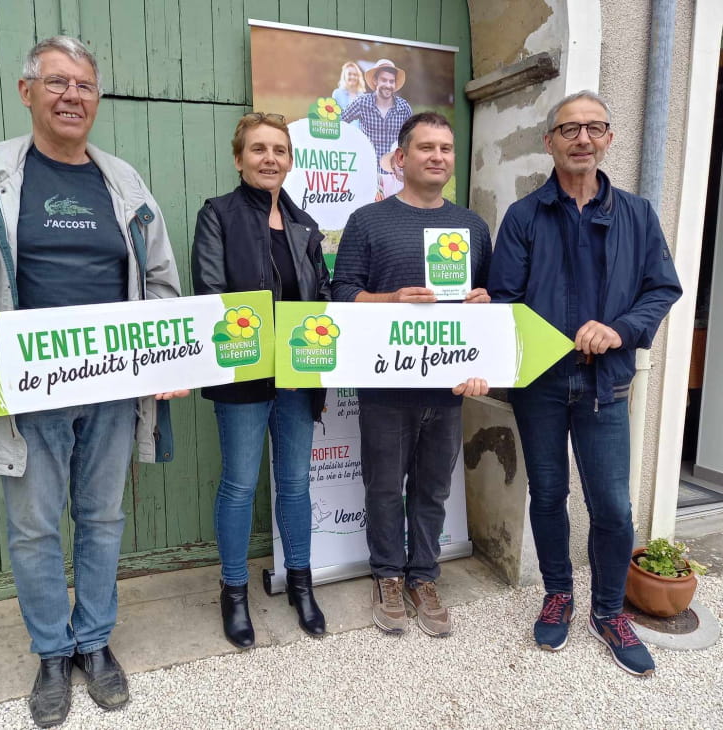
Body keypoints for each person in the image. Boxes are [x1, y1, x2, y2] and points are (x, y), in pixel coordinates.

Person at [0, 36, 186, 728]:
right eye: (56, 82)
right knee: (33, 529)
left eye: (85, 85)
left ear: (97, 98)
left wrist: (168, 358)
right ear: (26, 90)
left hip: (111, 387)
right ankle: (52, 652)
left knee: (102, 518)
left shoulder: (123, 180)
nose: (71, 96)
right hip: (25, 392)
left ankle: (95, 641)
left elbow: (159, 284)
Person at [488, 90, 682, 676]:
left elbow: (662, 289)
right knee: (547, 497)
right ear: (549, 142)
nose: (582, 138)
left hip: (606, 387)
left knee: (615, 509)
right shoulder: (524, 217)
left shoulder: (638, 214)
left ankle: (607, 611)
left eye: (594, 127)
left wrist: (621, 330)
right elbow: (503, 300)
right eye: (569, 129)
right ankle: (558, 595)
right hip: (541, 388)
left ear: (609, 139)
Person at [332, 112, 491, 638]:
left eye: (446, 148)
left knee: (433, 489)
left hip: (447, 387)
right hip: (385, 385)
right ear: (401, 158)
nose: (438, 157)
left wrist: (484, 300)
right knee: (383, 487)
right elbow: (342, 295)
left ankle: (424, 576)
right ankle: (387, 576)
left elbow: (489, 305)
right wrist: (391, 299)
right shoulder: (367, 222)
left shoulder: (471, 226)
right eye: (426, 147)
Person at [191, 112, 331, 649]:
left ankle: (301, 582)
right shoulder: (218, 215)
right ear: (239, 158)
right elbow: (211, 291)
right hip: (243, 372)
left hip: (297, 374)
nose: (269, 158)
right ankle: (232, 591)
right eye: (258, 149)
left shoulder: (305, 225)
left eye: (279, 149)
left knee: (296, 483)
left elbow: (321, 296)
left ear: (291, 160)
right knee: (240, 483)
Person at [341, 59, 413, 169]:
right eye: (384, 80)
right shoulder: (362, 102)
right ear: (375, 81)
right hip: (367, 169)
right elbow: (341, 121)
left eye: (391, 81)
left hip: (394, 172)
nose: (388, 85)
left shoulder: (404, 107)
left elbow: (411, 139)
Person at [332, 61, 366, 129]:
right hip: (343, 134)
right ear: (344, 76)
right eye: (349, 74)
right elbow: (333, 117)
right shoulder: (337, 93)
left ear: (358, 77)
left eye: (355, 74)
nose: (352, 77)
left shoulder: (362, 96)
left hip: (358, 135)